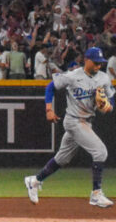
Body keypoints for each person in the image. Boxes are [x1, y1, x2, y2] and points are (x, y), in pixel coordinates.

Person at [25, 47, 115, 208]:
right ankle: (96, 194)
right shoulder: (73, 75)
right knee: (100, 151)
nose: (98, 66)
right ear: (86, 60)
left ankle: (35, 181)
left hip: (86, 122)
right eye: (95, 63)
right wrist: (49, 109)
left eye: (100, 63)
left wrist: (109, 106)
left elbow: (112, 97)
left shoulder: (103, 78)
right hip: (74, 121)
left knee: (62, 159)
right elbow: (50, 87)